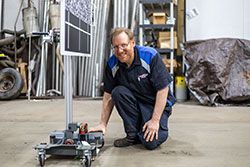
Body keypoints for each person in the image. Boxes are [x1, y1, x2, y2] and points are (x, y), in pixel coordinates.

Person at [89, 27, 176, 150]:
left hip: (155, 104)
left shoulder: (150, 56)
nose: (120, 50)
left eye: (124, 45)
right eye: (116, 47)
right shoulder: (112, 64)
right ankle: (132, 135)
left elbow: (163, 90)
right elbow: (108, 95)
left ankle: (146, 127)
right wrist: (103, 124)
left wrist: (155, 121)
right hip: (135, 101)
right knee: (118, 92)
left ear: (133, 43)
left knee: (151, 142)